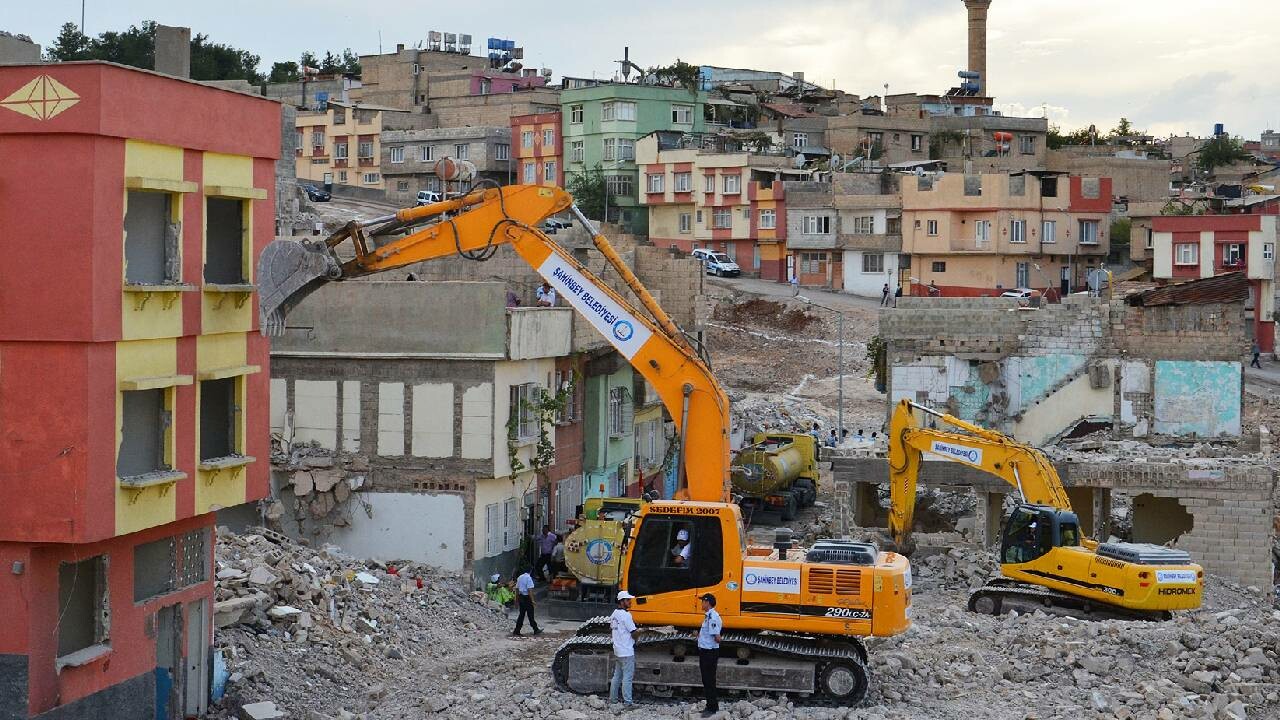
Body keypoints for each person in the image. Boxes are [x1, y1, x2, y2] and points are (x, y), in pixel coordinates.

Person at [609, 590, 639, 705]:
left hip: (617, 650)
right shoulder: (626, 616)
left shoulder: (615, 613)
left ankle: (613, 700)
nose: (630, 602)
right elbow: (633, 632)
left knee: (617, 676)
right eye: (628, 600)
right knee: (627, 678)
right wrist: (639, 634)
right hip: (626, 652)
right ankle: (628, 703)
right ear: (621, 602)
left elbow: (611, 628)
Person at [697, 593, 722, 716]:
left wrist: (712, 640)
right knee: (707, 680)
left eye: (702, 601)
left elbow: (717, 637)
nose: (701, 603)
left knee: (709, 681)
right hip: (707, 652)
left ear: (707, 602)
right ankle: (711, 705)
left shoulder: (712, 617)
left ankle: (711, 708)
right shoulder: (709, 616)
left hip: (709, 653)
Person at [511, 567, 542, 636]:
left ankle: (517, 630)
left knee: (521, 614)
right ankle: (535, 629)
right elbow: (530, 590)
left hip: (521, 597)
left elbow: (517, 589)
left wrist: (516, 601)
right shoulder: (529, 578)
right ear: (530, 571)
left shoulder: (519, 577)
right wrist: (533, 600)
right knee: (530, 615)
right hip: (527, 598)